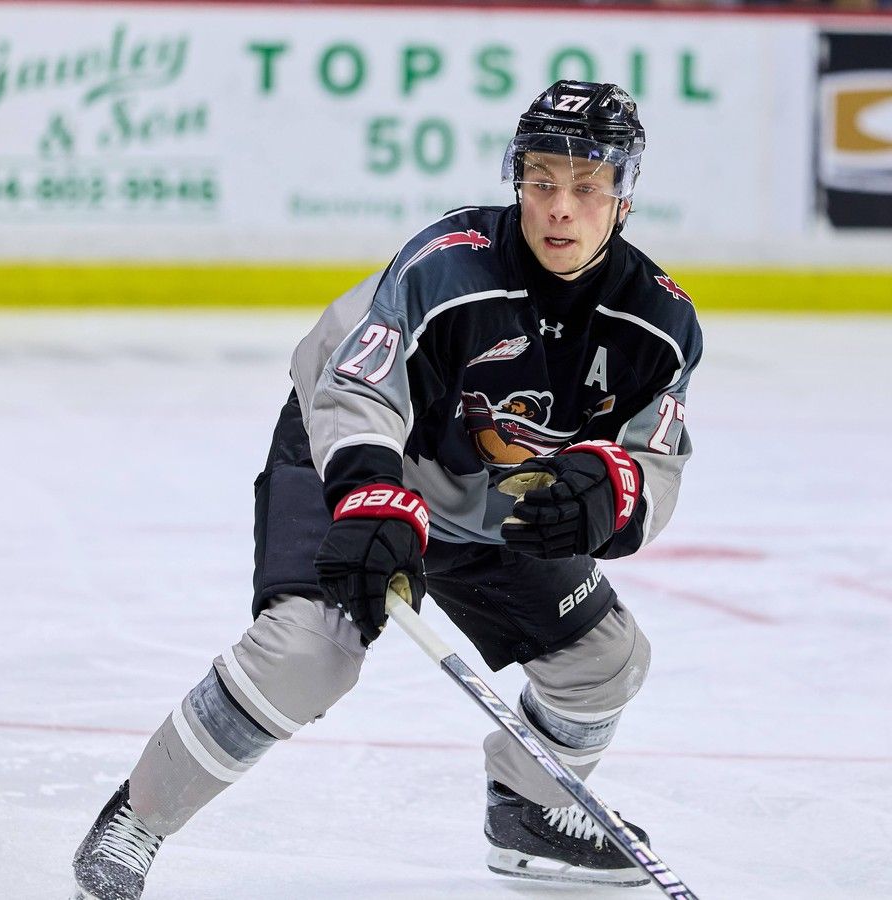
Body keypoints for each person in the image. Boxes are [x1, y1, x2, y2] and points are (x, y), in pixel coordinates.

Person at [71, 80, 703, 899]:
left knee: (604, 657)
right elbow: (356, 389)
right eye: (543, 181)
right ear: (518, 179)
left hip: (483, 493)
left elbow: (656, 460)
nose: (559, 208)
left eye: (587, 188)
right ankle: (137, 821)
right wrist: (371, 491)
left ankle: (528, 811)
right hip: (355, 454)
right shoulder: (449, 268)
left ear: (623, 196)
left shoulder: (659, 322)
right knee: (310, 653)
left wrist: (613, 490)